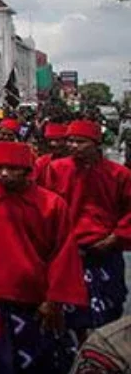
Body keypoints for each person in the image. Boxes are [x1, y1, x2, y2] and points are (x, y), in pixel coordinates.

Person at [0, 140, 87, 374]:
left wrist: (54, 299)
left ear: (27, 170)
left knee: (36, 365)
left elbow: (63, 255)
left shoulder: (52, 205)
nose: (4, 174)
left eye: (12, 169)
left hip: (34, 302)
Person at [40, 119, 131, 333]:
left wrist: (115, 238)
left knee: (111, 306)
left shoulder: (120, 174)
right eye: (70, 141)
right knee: (71, 313)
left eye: (80, 142)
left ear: (96, 144)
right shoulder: (57, 169)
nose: (72, 146)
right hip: (69, 253)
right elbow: (46, 207)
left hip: (107, 251)